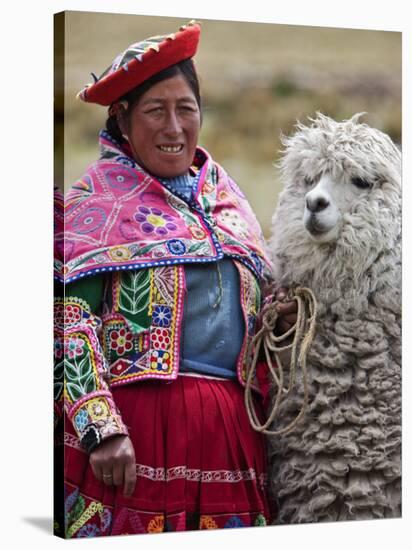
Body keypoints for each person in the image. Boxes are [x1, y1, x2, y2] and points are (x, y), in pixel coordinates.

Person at [54, 20, 297, 538]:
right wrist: (100, 429)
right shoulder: (95, 203)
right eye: (154, 111)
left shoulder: (227, 201)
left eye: (185, 109)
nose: (173, 127)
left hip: (232, 435)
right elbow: (67, 322)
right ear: (121, 119)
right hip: (136, 437)